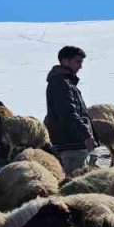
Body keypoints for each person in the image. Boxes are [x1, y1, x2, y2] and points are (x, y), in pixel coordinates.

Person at [45, 45, 95, 174]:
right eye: (77, 62)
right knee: (76, 185)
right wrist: (86, 135)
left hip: (74, 143)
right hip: (72, 145)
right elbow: (68, 114)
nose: (80, 66)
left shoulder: (66, 82)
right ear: (64, 61)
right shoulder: (61, 83)